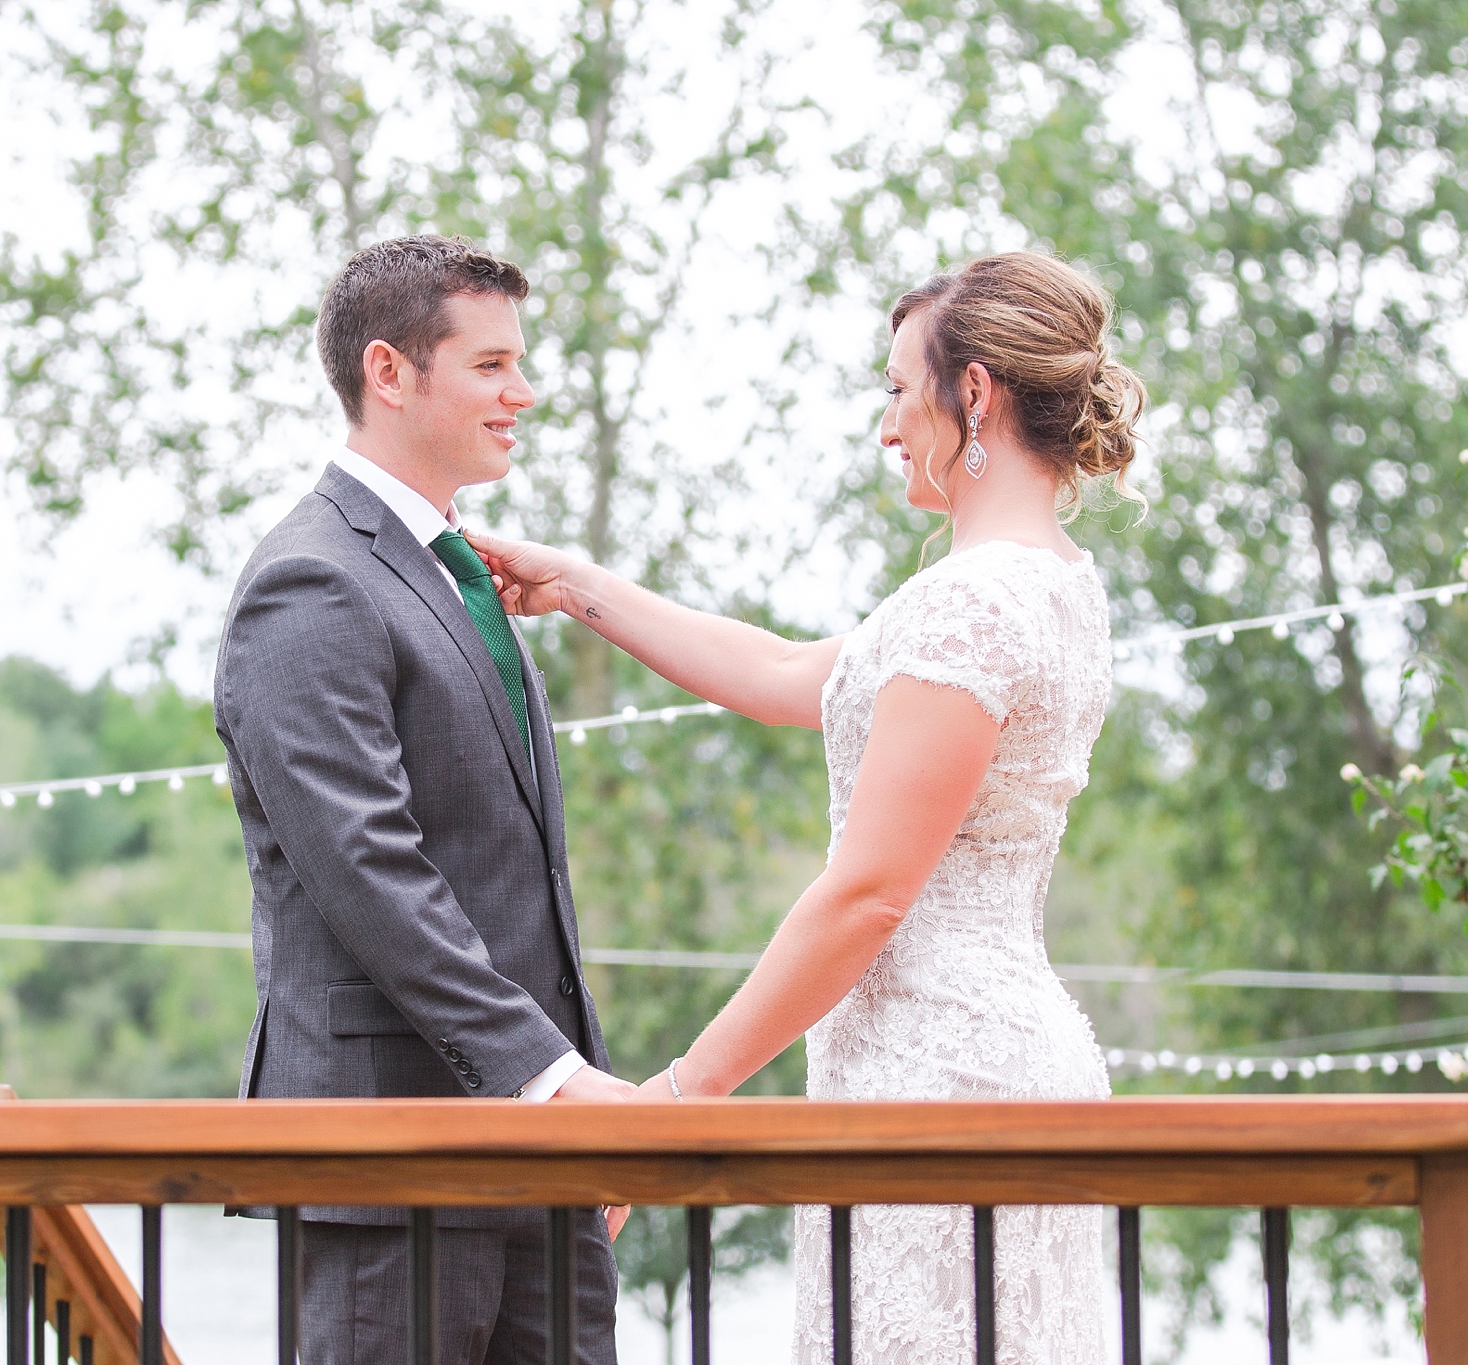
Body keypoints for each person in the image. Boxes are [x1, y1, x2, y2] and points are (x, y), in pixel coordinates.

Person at [472, 250, 1146, 1363]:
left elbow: (866, 895)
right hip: (983, 1057)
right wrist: (580, 588)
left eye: (896, 389)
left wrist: (678, 1098)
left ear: (969, 392)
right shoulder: (1047, 581)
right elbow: (796, 677)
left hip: (940, 1075)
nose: (886, 426)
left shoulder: (970, 604)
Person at [213, 235, 632, 1365]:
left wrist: (562, 1108)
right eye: (490, 364)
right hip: (390, 1158)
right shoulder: (310, 579)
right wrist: (555, 1085)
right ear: (390, 373)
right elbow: (367, 868)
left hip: (537, 1165)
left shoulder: (461, 572)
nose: (523, 391)